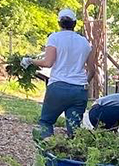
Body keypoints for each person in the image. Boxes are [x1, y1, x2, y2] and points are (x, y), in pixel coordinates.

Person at [25, 8, 93, 139]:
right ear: (75, 23)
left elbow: (48, 62)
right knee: (74, 129)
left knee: (46, 122)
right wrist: (85, 84)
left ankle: (46, 155)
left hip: (58, 87)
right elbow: (92, 70)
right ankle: (73, 156)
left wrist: (29, 61)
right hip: (79, 90)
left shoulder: (54, 38)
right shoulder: (84, 42)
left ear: (59, 23)